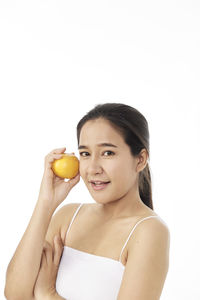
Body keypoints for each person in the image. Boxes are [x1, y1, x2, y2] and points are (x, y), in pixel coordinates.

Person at [4, 103, 170, 300]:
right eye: (85, 154)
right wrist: (45, 203)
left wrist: (48, 295)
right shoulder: (67, 216)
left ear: (140, 160)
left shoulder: (149, 231)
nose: (93, 168)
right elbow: (15, 294)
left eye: (108, 153)